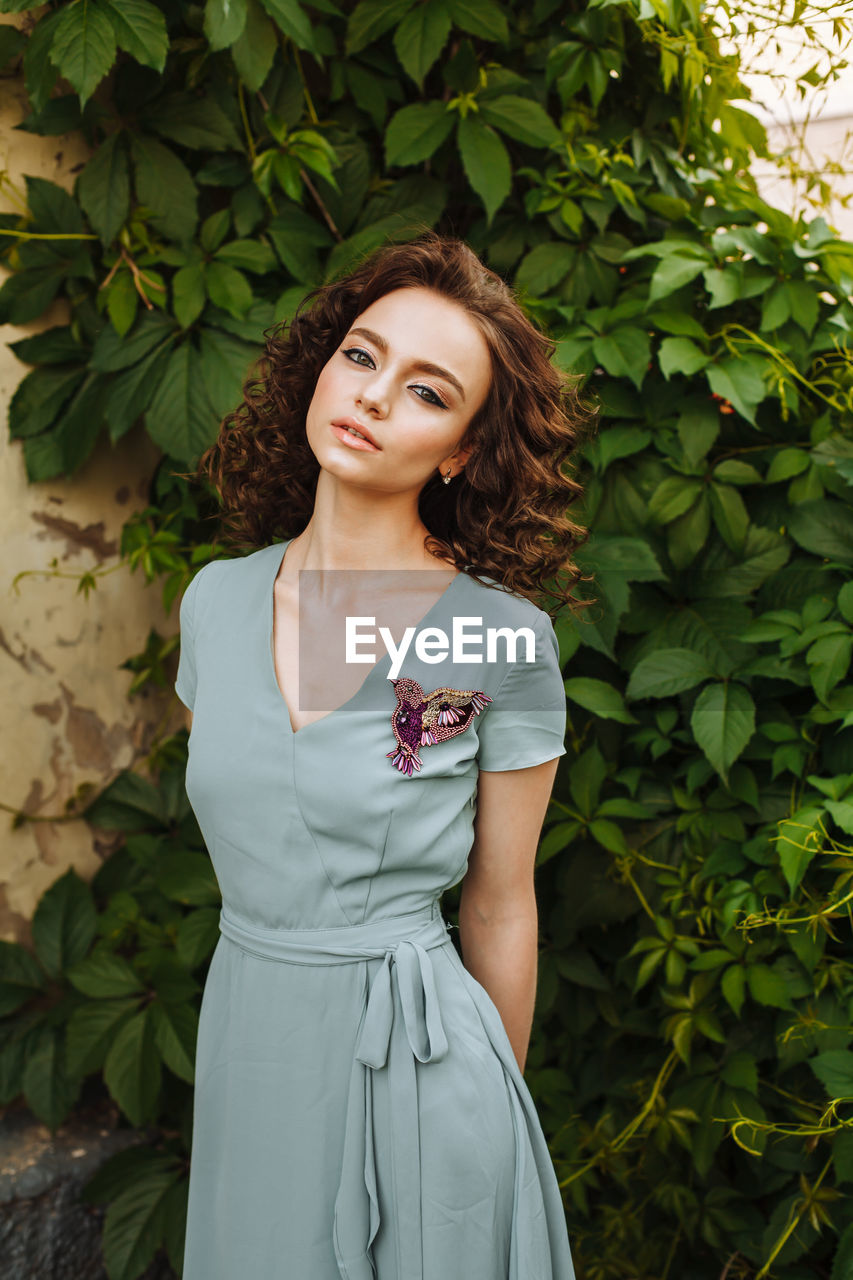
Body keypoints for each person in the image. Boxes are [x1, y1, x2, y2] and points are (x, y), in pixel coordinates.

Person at [174, 229, 596, 1280]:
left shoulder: (499, 637)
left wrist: (485, 1131)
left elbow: (500, 903)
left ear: (459, 449)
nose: (370, 396)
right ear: (321, 366)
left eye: (425, 390)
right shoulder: (213, 602)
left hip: (423, 1072)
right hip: (251, 1055)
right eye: (361, 356)